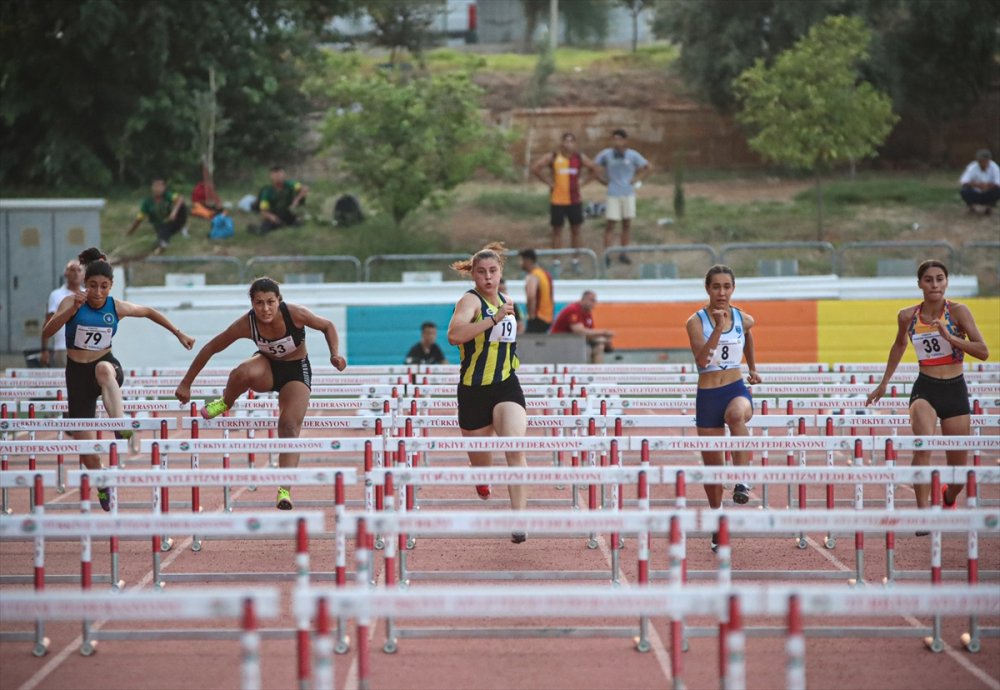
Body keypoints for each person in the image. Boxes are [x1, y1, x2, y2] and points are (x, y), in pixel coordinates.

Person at [42, 248, 195, 511]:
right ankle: (102, 481)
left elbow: (148, 311)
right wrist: (71, 311)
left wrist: (179, 333)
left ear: (111, 286)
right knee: (86, 448)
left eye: (103, 287)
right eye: (92, 286)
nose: (98, 293)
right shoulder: (70, 302)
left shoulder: (117, 307)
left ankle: (119, 423)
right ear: (84, 284)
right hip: (77, 375)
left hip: (107, 365)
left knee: (103, 369)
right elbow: (47, 332)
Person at [174, 277, 346, 510]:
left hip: (296, 371)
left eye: (270, 302)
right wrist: (186, 383)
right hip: (267, 368)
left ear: (279, 301)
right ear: (252, 304)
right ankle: (226, 402)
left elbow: (328, 326)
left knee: (288, 426)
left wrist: (334, 354)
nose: (265, 309)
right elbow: (211, 348)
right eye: (259, 303)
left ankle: (284, 489)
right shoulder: (247, 323)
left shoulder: (295, 314)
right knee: (241, 372)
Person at [866, 260, 989, 529]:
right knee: (922, 446)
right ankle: (923, 514)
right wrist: (884, 382)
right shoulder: (907, 316)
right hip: (925, 389)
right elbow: (899, 345)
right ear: (920, 284)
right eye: (929, 280)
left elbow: (983, 351)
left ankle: (948, 495)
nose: (935, 284)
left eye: (940, 279)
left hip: (955, 390)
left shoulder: (958, 312)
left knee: (958, 472)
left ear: (946, 282)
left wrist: (950, 337)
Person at [446, 243, 529, 543]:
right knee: (482, 464)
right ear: (474, 276)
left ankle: (519, 519)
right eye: (481, 272)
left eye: (493, 271)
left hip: (506, 384)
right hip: (473, 391)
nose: (488, 277)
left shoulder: (509, 301)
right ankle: (481, 478)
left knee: (515, 447)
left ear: (501, 272)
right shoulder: (469, 302)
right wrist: (492, 319)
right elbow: (454, 336)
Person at [685, 265, 762, 552]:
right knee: (713, 469)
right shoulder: (696, 322)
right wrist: (718, 328)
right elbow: (702, 361)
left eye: (726, 286)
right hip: (708, 396)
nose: (721, 292)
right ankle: (718, 522)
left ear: (733, 288)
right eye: (716, 287)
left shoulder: (743, 317)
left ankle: (742, 481)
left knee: (736, 415)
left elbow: (748, 333)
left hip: (735, 389)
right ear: (707, 289)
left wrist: (753, 367)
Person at [530, 132, 603, 268]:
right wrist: (549, 183)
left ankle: (575, 259)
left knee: (576, 229)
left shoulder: (579, 158)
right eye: (566, 141)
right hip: (557, 200)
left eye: (571, 141)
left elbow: (596, 169)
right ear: (561, 143)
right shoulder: (553, 157)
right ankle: (556, 259)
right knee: (557, 230)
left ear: (574, 144)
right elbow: (535, 168)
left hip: (574, 200)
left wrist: (583, 182)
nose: (568, 144)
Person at [594, 129, 652, 266]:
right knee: (610, 225)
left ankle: (624, 253)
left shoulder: (632, 155)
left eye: (620, 139)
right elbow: (594, 166)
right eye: (614, 139)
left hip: (628, 193)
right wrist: (602, 180)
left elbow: (648, 167)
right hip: (613, 193)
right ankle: (607, 254)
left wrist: (636, 179)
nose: (617, 142)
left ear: (625, 141)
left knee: (626, 224)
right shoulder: (606, 154)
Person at [41, 258, 85, 368]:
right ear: (66, 273)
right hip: (63, 347)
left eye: (79, 270)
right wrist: (44, 349)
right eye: (72, 270)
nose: (76, 273)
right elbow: (48, 322)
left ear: (83, 275)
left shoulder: (88, 294)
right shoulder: (56, 295)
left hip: (85, 348)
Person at [549, 290, 614, 364]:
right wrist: (603, 332)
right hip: (560, 341)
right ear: (583, 299)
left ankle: (596, 373)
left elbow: (590, 334)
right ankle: (583, 373)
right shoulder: (573, 310)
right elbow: (579, 331)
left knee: (599, 347)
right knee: (586, 349)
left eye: (595, 301)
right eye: (591, 300)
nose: (594, 304)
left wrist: (604, 340)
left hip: (574, 341)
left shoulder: (587, 313)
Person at [125, 179, 188, 253]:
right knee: (163, 234)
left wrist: (174, 211)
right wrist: (131, 231)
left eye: (160, 186)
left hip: (173, 220)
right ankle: (161, 245)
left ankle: (181, 228)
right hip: (160, 224)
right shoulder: (147, 202)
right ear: (152, 188)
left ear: (164, 188)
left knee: (182, 206)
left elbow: (180, 199)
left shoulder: (167, 195)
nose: (158, 189)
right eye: (156, 186)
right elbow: (139, 219)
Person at [251, 165, 310, 234]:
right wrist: (272, 217)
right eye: (276, 175)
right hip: (275, 214)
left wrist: (297, 199)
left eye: (280, 175)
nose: (278, 177)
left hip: (289, 212)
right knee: (264, 229)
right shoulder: (267, 191)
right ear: (271, 177)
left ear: (284, 175)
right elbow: (263, 211)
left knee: (298, 226)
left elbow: (305, 189)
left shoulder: (290, 184)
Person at [518, 249, 554, 333]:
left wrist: (531, 316)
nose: (520, 263)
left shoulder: (533, 275)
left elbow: (531, 295)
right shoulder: (545, 274)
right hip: (548, 317)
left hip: (538, 317)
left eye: (521, 260)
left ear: (528, 260)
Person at [959, 148, 1000, 215]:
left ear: (989, 160)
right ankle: (971, 208)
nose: (983, 162)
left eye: (985, 160)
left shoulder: (994, 167)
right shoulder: (972, 167)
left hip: (988, 192)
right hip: (975, 192)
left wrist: (988, 185)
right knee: (964, 190)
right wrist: (978, 185)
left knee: (998, 190)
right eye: (981, 160)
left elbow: (998, 182)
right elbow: (963, 181)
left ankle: (989, 208)